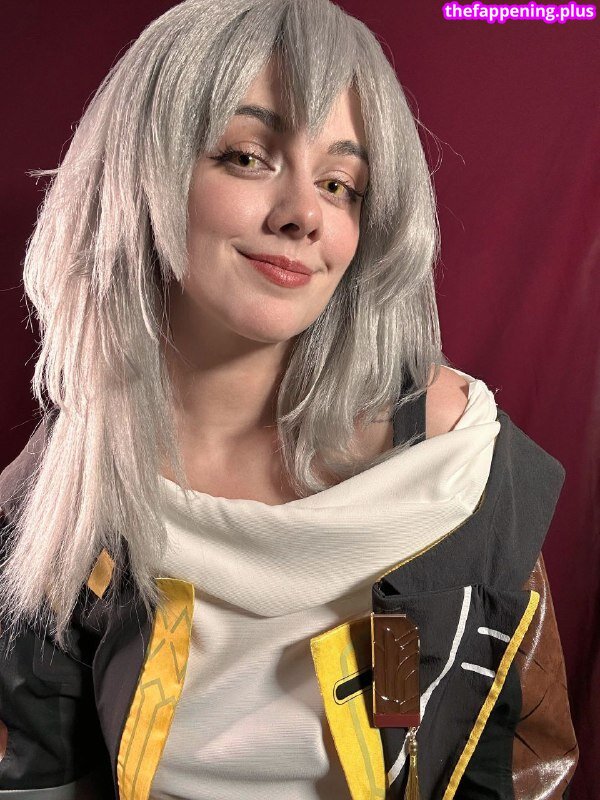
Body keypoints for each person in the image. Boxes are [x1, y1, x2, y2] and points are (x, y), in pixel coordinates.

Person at [0, 1, 578, 798]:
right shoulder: (66, 485)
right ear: (139, 171)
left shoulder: (463, 475)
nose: (305, 215)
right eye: (247, 157)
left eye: (341, 184)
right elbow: (37, 773)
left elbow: (514, 763)